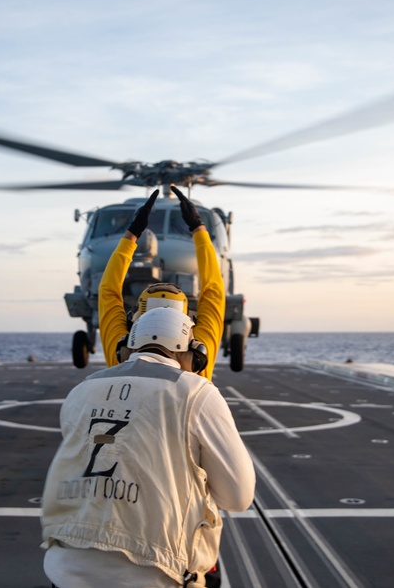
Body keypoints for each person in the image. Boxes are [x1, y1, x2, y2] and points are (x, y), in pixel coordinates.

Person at [40, 305, 256, 587]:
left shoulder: (80, 391)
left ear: (126, 349)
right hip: (153, 572)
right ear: (192, 353)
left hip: (65, 569)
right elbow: (237, 498)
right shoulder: (196, 393)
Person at [98, 186, 226, 381]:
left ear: (137, 317)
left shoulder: (121, 350)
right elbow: (214, 291)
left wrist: (132, 234)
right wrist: (199, 228)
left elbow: (108, 291)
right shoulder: (199, 352)